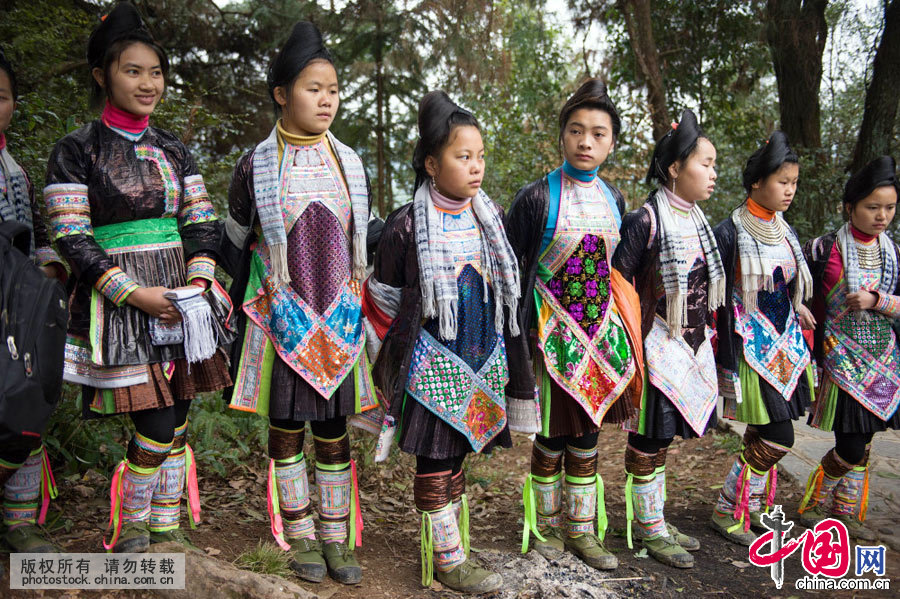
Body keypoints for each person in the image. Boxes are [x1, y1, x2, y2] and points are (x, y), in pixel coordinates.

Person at [44, 3, 230, 552]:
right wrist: (134, 294)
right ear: (103, 75)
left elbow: (200, 219)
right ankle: (129, 526)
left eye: (156, 72)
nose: (148, 83)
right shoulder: (76, 150)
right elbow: (71, 235)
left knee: (178, 418)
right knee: (156, 419)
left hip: (181, 295)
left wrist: (198, 284)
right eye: (133, 71)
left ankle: (165, 529)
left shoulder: (173, 147)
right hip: (123, 301)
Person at [222, 21, 371, 585]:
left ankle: (336, 533)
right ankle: (300, 530)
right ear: (282, 93)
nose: (326, 99)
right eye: (313, 87)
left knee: (333, 426)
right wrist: (223, 313)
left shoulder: (350, 164)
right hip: (282, 312)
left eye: (333, 88)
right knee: (286, 423)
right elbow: (234, 241)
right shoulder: (256, 164)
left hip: (338, 314)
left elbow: (365, 237)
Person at [364, 90, 521, 594]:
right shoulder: (406, 225)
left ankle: (450, 548)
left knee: (456, 455)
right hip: (432, 363)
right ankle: (449, 561)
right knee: (436, 455)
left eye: (479, 157)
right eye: (462, 156)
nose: (475, 167)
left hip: (480, 356)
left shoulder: (488, 216)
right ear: (432, 163)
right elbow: (383, 297)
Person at [504, 78, 643, 570]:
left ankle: (582, 531)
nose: (587, 142)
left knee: (587, 435)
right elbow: (513, 270)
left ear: (612, 142)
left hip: (600, 336)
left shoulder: (616, 199)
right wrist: (519, 344)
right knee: (552, 434)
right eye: (577, 131)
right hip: (551, 336)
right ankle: (544, 526)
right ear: (561, 136)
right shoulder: (536, 197)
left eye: (599, 134)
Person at [611, 109, 725, 568]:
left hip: (690, 346)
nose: (713, 174)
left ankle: (653, 517)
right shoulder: (645, 221)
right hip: (654, 348)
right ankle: (648, 526)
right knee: (649, 437)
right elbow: (618, 282)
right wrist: (629, 349)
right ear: (675, 169)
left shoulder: (700, 224)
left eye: (714, 165)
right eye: (706, 163)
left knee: (664, 441)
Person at [710, 131, 815, 545]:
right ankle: (725, 507)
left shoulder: (784, 230)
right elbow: (716, 294)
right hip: (750, 345)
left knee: (763, 433)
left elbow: (784, 282)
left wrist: (796, 303)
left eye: (793, 183)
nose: (789, 190)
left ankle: (746, 508)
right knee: (778, 436)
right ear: (756, 182)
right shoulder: (730, 232)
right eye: (781, 182)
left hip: (784, 344)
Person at [799, 155, 900, 542]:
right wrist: (801, 309)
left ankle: (844, 512)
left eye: (889, 207)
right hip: (841, 359)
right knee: (852, 444)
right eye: (872, 207)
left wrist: (878, 300)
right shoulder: (822, 250)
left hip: (885, 361)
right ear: (850, 207)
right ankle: (814, 498)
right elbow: (795, 290)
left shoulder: (894, 253)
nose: (882, 216)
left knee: (865, 442)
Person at [0, 47, 67, 554]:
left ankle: (20, 522)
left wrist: (48, 269)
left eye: (0, 97)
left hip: (17, 315)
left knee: (26, 400)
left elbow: (41, 234)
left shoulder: (16, 170)